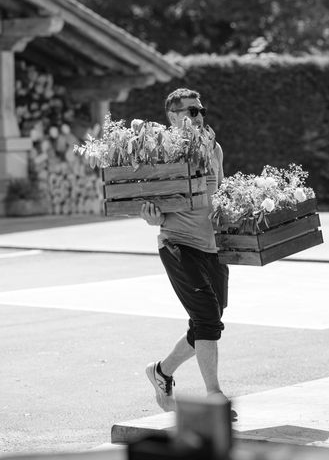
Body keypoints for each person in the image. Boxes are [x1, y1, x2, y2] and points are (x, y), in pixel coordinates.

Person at [140, 88, 232, 414]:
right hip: (178, 244)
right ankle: (215, 395)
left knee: (207, 321)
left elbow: (219, 194)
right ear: (173, 117)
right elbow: (150, 202)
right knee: (207, 319)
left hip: (211, 248)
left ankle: (161, 372)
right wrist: (152, 217)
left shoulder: (214, 149)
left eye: (200, 110)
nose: (198, 116)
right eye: (191, 111)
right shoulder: (161, 152)